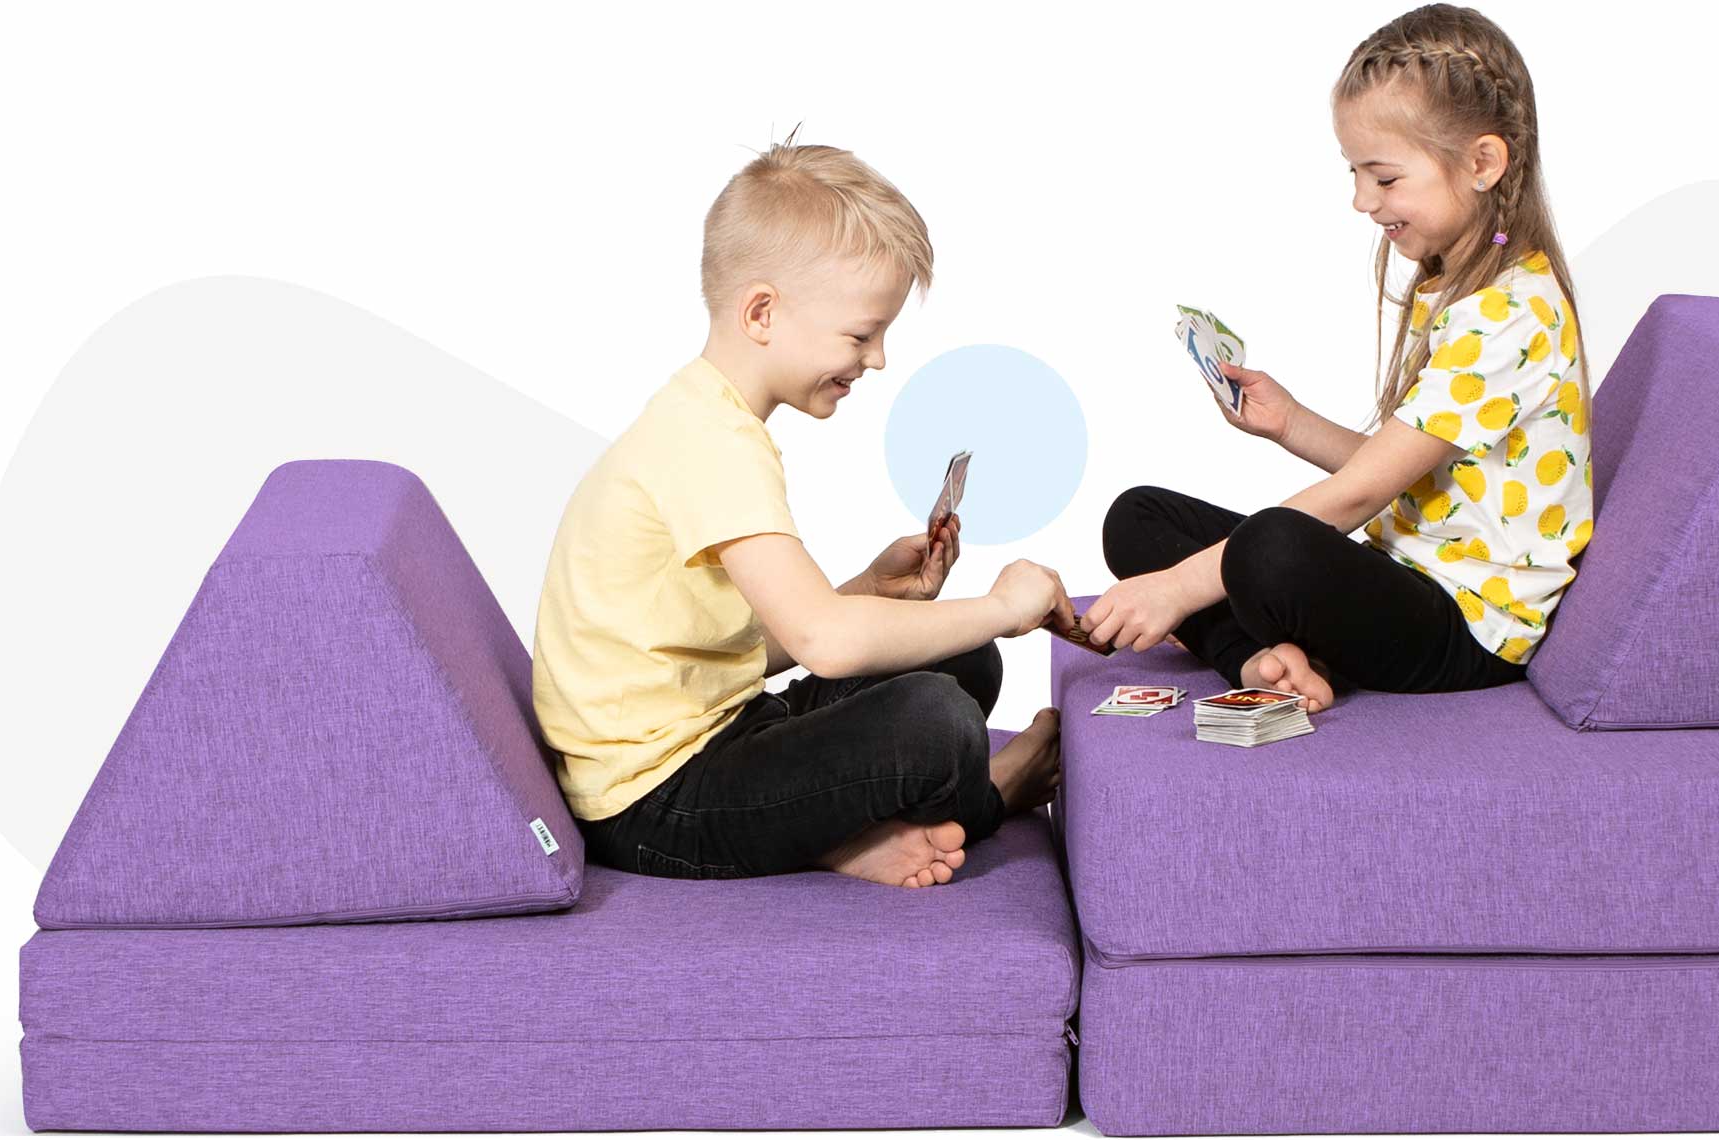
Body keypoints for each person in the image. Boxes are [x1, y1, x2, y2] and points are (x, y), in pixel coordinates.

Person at [532, 139, 1071, 889]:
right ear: (762, 312)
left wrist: (868, 592)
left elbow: (752, 643)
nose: (877, 359)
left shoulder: (704, 418)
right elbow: (825, 643)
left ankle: (838, 839)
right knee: (937, 723)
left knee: (959, 660)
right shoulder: (712, 444)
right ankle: (993, 796)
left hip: (722, 732)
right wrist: (1004, 606)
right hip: (653, 803)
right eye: (860, 334)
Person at [1088, 4, 1595, 712]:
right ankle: (1268, 662)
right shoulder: (1464, 284)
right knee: (1137, 517)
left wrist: (1177, 588)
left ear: (1482, 163)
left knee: (1272, 548)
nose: (1361, 199)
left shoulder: (1509, 313)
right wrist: (1289, 422)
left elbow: (1360, 495)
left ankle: (1248, 649)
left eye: (1384, 179)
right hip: (1405, 571)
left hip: (1470, 627)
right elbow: (1416, 477)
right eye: (1355, 172)